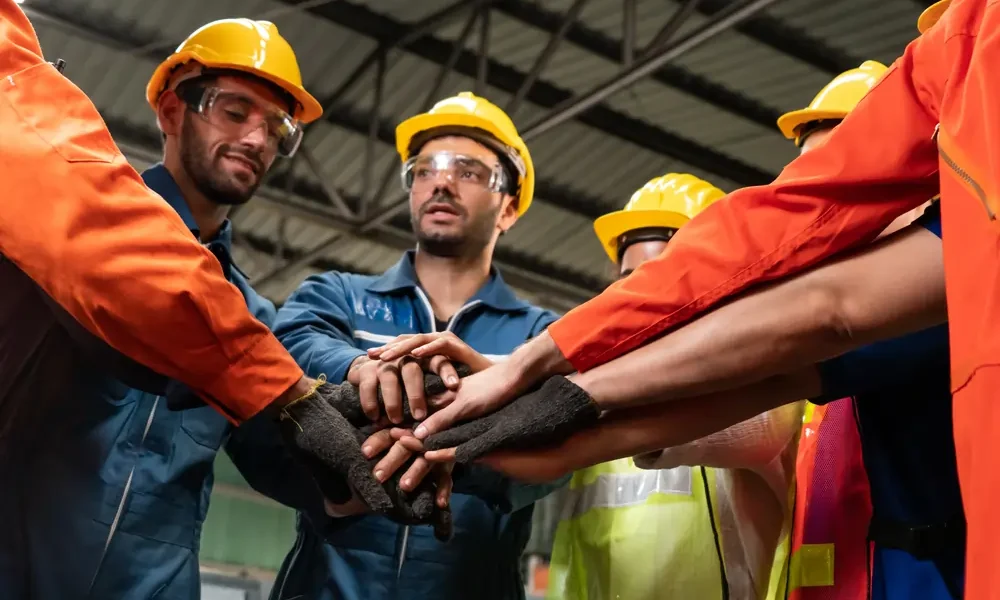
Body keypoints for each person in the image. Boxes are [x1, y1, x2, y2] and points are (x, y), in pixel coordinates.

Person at [414, 0, 995, 593]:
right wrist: (559, 399)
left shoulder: (937, 282)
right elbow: (797, 337)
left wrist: (555, 382)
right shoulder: (968, 46)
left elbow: (816, 322)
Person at [2, 6, 392, 598]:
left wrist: (379, 456)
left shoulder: (253, 317)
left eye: (277, 129)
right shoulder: (64, 241)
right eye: (235, 111)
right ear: (170, 109)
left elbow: (285, 460)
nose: (257, 139)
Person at [267, 91, 565, 600]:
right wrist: (362, 369)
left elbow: (556, 452)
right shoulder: (336, 295)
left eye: (469, 171)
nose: (442, 182)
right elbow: (288, 343)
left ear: (509, 208)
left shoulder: (542, 337)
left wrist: (458, 440)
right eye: (425, 170)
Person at [544, 173, 801, 600]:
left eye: (668, 279)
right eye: (628, 284)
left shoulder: (760, 398)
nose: (640, 302)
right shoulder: (593, 412)